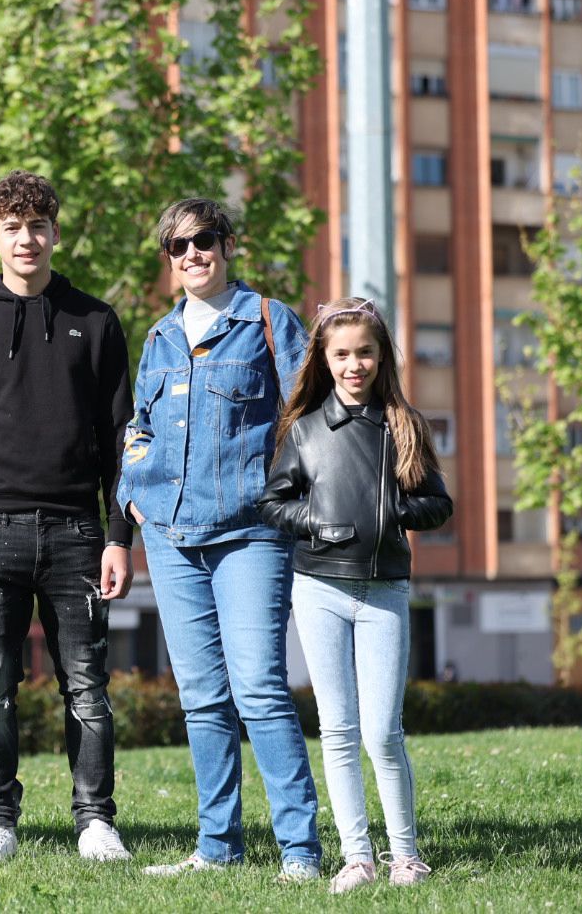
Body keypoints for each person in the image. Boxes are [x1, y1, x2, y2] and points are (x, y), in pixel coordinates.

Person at [0, 170, 135, 864]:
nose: (27, 237)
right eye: (12, 226)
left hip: (78, 533)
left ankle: (96, 821)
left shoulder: (97, 321)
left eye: (38, 224)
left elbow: (121, 443)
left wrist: (118, 537)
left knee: (88, 686)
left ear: (55, 232)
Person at [117, 197, 321, 881]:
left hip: (250, 535)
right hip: (172, 539)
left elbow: (309, 417)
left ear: (228, 245)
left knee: (259, 688)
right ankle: (217, 847)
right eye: (177, 246)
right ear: (168, 260)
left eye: (204, 240)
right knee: (202, 697)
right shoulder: (159, 338)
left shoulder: (267, 321)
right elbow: (136, 426)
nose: (192, 255)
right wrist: (134, 493)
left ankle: (301, 852)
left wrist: (289, 499)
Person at [258, 296, 453, 894]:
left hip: (385, 592)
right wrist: (316, 518)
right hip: (318, 588)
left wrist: (394, 509)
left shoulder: (405, 426)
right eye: (341, 354)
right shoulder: (304, 430)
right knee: (338, 731)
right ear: (324, 357)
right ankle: (356, 856)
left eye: (364, 352)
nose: (354, 364)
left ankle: (406, 856)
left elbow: (438, 504)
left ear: (381, 355)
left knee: (382, 733)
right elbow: (272, 503)